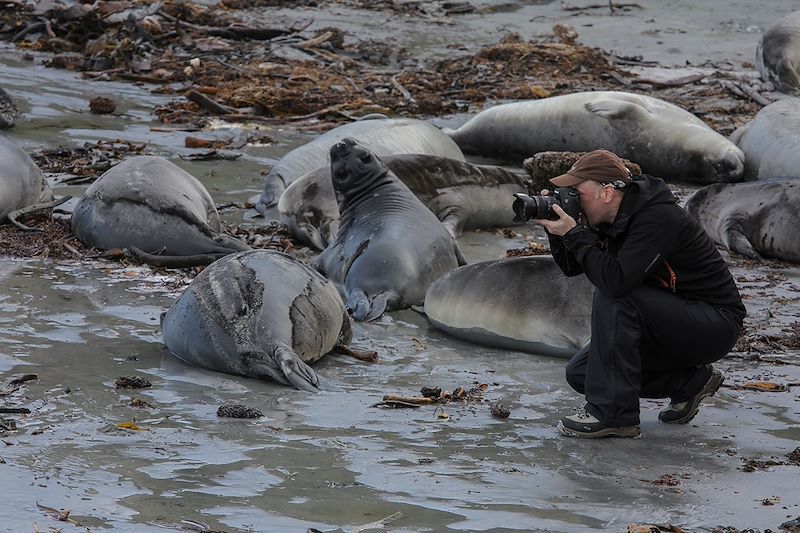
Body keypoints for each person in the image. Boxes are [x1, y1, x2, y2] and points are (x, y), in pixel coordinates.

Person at [538, 149, 746, 439]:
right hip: (668, 320)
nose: (572, 199)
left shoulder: (658, 218)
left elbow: (616, 283)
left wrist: (576, 235)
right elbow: (574, 266)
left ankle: (614, 417)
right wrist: (559, 232)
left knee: (616, 296)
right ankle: (689, 383)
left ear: (607, 192)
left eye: (576, 192)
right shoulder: (610, 219)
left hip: (714, 323)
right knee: (582, 373)